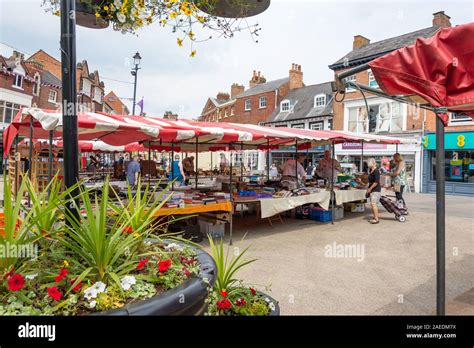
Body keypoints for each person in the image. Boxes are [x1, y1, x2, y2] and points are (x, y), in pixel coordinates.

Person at [366, 158, 381, 224]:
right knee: (372, 204)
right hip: (372, 189)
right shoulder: (371, 170)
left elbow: (376, 182)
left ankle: (376, 219)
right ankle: (375, 217)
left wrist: (370, 188)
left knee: (373, 204)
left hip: (375, 189)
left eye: (368, 163)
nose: (367, 165)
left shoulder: (376, 171)